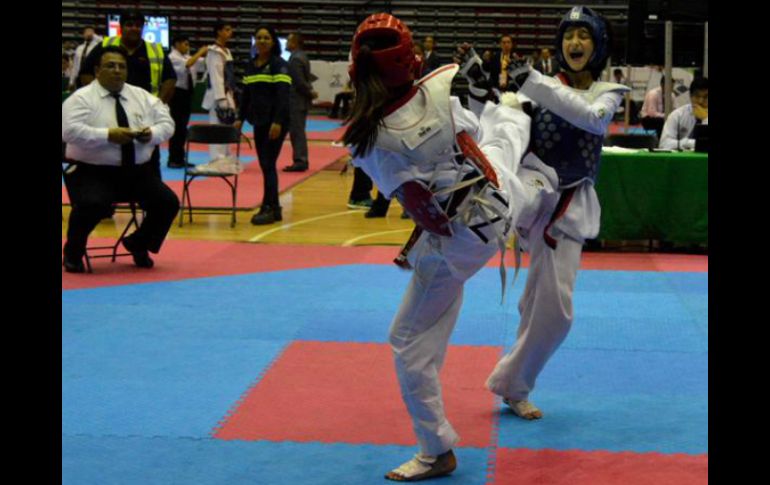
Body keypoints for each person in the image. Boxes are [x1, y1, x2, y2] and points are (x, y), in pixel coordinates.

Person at [343, 13, 534, 481]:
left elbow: (426, 211)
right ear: (410, 59)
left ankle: (436, 449)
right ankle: (524, 109)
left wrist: (430, 247)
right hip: (503, 199)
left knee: (408, 341)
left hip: (461, 238)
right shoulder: (443, 84)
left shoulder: (370, 139)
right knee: (507, 128)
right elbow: (477, 141)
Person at [480, 6, 629, 420]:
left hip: (570, 204)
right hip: (531, 189)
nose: (574, 43)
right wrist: (481, 101)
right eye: (568, 36)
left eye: (584, 36)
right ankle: (514, 383)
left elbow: (593, 121)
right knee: (545, 301)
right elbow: (507, 128)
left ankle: (512, 381)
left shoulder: (608, 92)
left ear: (598, 45)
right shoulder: (535, 88)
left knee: (552, 308)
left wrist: (535, 83)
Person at [62, 46, 179, 273]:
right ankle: (73, 250)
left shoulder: (142, 96)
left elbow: (168, 124)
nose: (117, 71)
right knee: (93, 204)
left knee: (167, 203)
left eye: (121, 66)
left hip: (136, 171)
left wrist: (151, 134)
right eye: (110, 66)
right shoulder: (81, 98)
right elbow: (68, 131)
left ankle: (138, 243)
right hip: (90, 171)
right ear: (97, 70)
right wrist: (107, 135)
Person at [79, 10, 177, 178]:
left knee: (149, 163)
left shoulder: (156, 50)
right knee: (108, 157)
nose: (134, 28)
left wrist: (157, 105)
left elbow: (170, 80)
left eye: (138, 25)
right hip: (109, 112)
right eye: (130, 25)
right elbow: (86, 73)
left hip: (144, 116)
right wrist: (96, 97)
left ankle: (150, 195)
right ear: (121, 27)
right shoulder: (105, 45)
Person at [234, 25, 291, 225]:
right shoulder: (251, 65)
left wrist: (277, 122)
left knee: (267, 165)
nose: (263, 41)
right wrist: (239, 118)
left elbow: (283, 97)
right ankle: (274, 208)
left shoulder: (279, 65)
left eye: (267, 37)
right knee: (266, 165)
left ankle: (268, 207)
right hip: (258, 122)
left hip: (275, 123)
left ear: (273, 42)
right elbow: (246, 95)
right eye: (259, 37)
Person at [167, 36, 208, 168]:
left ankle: (180, 157)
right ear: (177, 44)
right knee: (177, 127)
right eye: (185, 44)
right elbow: (189, 64)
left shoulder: (187, 56)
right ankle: (173, 158)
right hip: (177, 94)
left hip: (187, 94)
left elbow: (202, 63)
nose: (188, 47)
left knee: (182, 128)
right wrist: (201, 51)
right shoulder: (172, 57)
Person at [202, 21, 237, 162]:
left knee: (227, 125)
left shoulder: (226, 51)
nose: (230, 32)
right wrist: (221, 98)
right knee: (217, 126)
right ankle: (217, 157)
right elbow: (216, 76)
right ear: (219, 32)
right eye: (227, 29)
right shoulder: (214, 51)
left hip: (227, 92)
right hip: (217, 95)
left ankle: (226, 154)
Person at [284, 32, 318, 173]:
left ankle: (300, 160)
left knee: (297, 132)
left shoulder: (296, 59)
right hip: (300, 100)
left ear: (294, 43)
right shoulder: (302, 56)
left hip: (296, 101)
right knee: (298, 131)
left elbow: (298, 81)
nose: (286, 43)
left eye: (288, 40)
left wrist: (309, 92)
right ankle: (300, 159)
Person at [659, 77, 708, 150]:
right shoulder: (677, 115)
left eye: (706, 97)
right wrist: (688, 143)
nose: (700, 101)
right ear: (690, 96)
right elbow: (664, 144)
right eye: (697, 96)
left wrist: (705, 119)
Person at [68, 26, 102, 91]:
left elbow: (103, 41)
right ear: (83, 34)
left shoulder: (97, 47)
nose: (88, 34)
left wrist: (95, 36)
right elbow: (75, 66)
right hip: (79, 78)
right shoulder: (79, 48)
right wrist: (71, 81)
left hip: (92, 77)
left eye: (91, 32)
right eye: (86, 32)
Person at [639, 75, 673, 140]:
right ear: (662, 84)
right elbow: (652, 113)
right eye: (670, 85)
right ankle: (661, 141)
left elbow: (674, 108)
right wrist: (666, 116)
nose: (671, 88)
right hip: (648, 119)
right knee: (662, 122)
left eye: (672, 86)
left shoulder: (671, 95)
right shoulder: (653, 94)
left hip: (664, 117)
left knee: (674, 121)